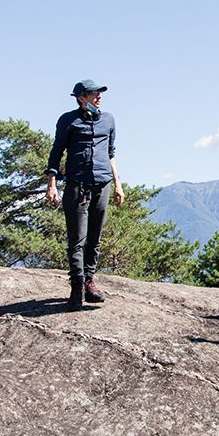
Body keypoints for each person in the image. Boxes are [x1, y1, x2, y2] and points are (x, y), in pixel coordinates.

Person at [45, 79, 125, 311]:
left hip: (102, 184)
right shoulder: (68, 120)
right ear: (81, 98)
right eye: (93, 93)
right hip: (77, 185)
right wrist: (52, 183)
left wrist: (118, 185)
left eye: (99, 93)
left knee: (95, 239)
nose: (99, 96)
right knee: (76, 239)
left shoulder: (108, 120)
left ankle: (90, 283)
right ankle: (76, 288)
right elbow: (57, 151)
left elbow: (111, 154)